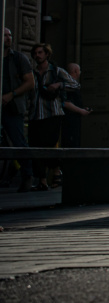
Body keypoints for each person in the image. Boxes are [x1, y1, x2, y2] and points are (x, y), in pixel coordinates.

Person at [27, 43, 79, 190]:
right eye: (35, 53)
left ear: (47, 54)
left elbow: (75, 85)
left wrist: (59, 85)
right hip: (35, 115)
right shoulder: (32, 73)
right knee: (35, 147)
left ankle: (56, 172)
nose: (37, 55)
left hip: (53, 114)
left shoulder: (56, 71)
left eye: (40, 52)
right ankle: (42, 180)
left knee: (49, 145)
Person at [2, 27, 35, 192]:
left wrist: (11, 94)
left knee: (18, 141)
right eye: (5, 35)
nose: (9, 38)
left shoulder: (18, 58)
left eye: (10, 35)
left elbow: (30, 82)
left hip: (13, 107)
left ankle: (27, 175)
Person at [61, 63, 89, 147]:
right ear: (76, 71)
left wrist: (81, 108)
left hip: (73, 119)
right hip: (69, 120)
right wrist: (81, 111)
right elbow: (65, 102)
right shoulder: (69, 85)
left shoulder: (72, 84)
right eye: (79, 71)